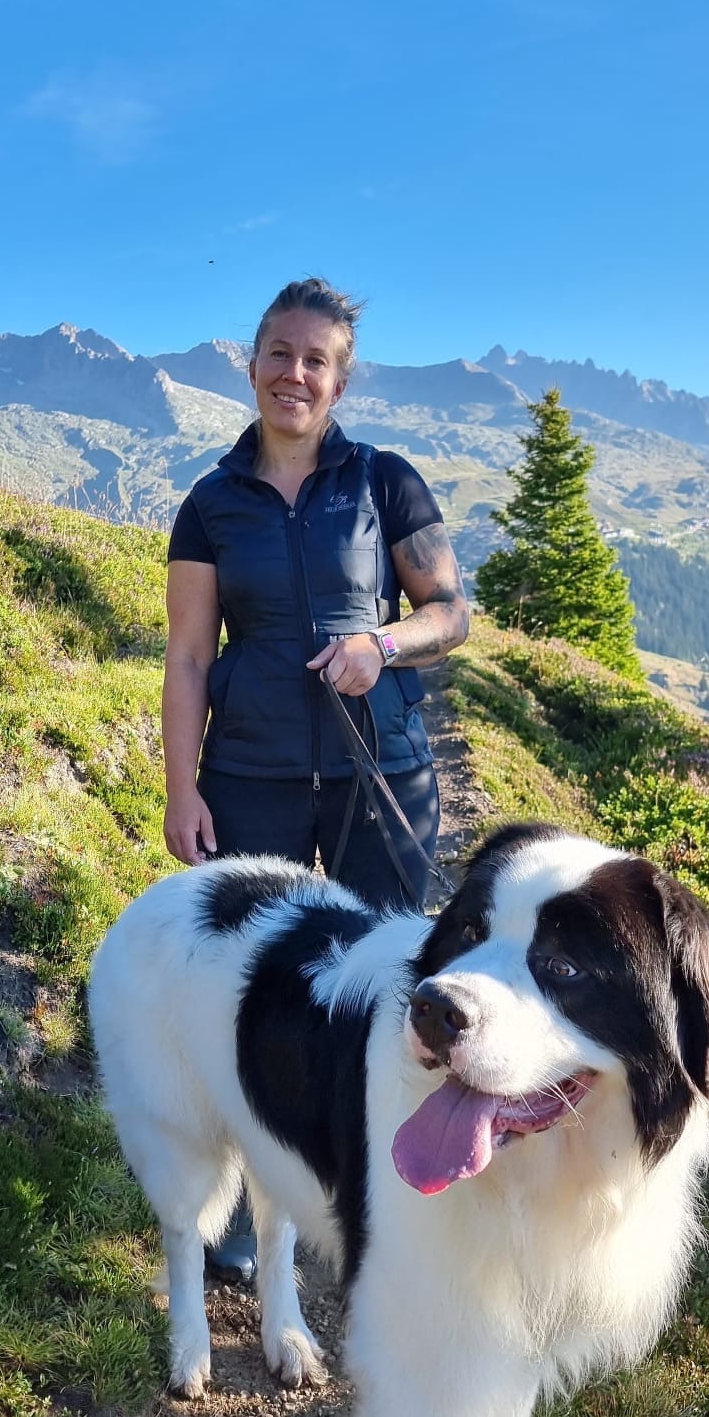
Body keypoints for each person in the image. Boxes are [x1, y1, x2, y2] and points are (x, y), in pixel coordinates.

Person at [162, 276, 469, 1278]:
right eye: (280, 353)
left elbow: (450, 614)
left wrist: (382, 642)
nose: (295, 373)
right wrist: (180, 787)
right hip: (247, 775)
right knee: (251, 992)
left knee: (387, 987)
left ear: (340, 381)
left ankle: (386, 1196)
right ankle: (251, 1214)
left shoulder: (386, 482)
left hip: (380, 774)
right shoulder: (210, 505)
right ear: (251, 364)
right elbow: (188, 658)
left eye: (316, 360)